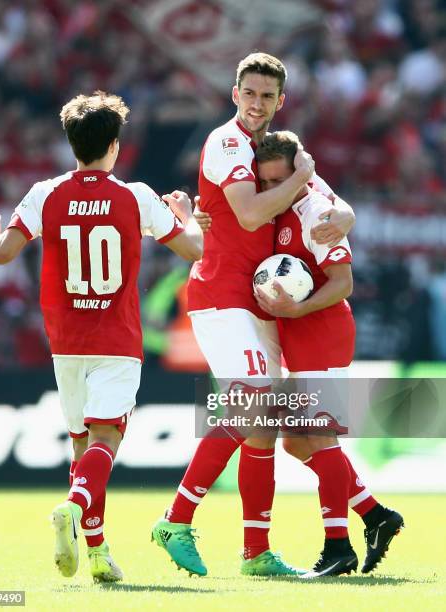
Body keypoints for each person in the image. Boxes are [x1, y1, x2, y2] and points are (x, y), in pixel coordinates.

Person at [0, 91, 203, 583]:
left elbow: (0, 253)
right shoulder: (136, 197)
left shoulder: (45, 194)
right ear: (116, 146)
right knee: (105, 441)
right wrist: (184, 213)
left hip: (65, 342)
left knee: (82, 449)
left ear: (71, 143)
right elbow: (193, 249)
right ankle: (75, 506)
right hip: (116, 341)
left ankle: (98, 553)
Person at [151, 53, 355, 577]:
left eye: (268, 96)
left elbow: (327, 202)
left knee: (261, 428)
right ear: (234, 94)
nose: (257, 103)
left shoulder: (272, 152)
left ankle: (255, 552)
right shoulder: (226, 142)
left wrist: (343, 210)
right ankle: (176, 518)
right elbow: (248, 211)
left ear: (280, 101)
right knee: (255, 403)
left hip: (256, 300)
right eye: (250, 93)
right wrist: (300, 177)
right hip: (220, 297)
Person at [254, 130, 404, 578]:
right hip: (297, 332)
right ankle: (376, 516)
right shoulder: (282, 207)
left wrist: (297, 306)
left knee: (319, 438)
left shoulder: (317, 211)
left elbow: (343, 283)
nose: (271, 191)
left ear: (301, 175)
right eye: (265, 183)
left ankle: (337, 547)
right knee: (296, 442)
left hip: (322, 330)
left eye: (281, 181)